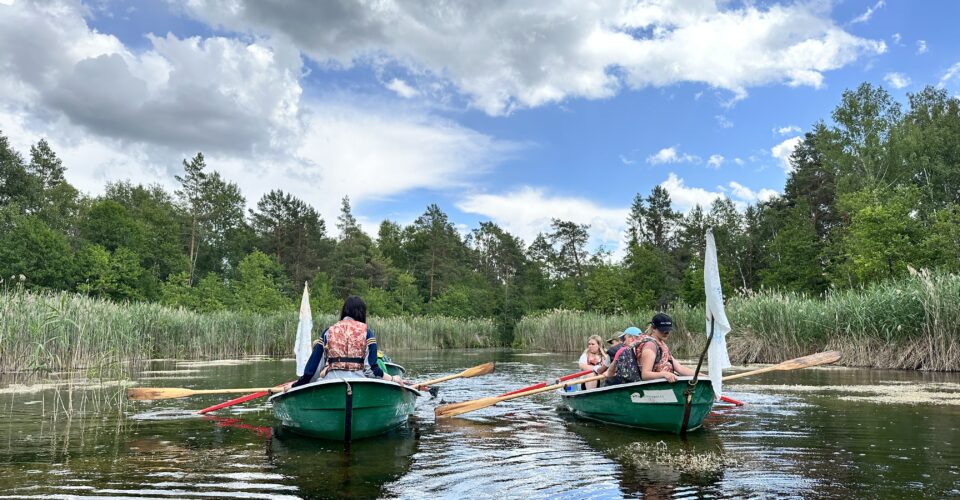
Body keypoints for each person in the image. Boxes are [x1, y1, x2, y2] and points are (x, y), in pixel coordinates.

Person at [290, 296, 401, 388]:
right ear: (362, 313)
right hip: (360, 384)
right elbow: (372, 370)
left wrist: (297, 385)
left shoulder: (328, 332)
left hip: (331, 384)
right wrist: (392, 379)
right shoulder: (367, 333)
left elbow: (312, 370)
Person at [636, 313, 695, 383]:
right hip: (653, 387)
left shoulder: (661, 344)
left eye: (668, 330)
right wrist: (664, 374)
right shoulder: (650, 346)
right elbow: (645, 375)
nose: (666, 332)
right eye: (662, 330)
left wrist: (702, 376)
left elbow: (680, 368)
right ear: (653, 329)